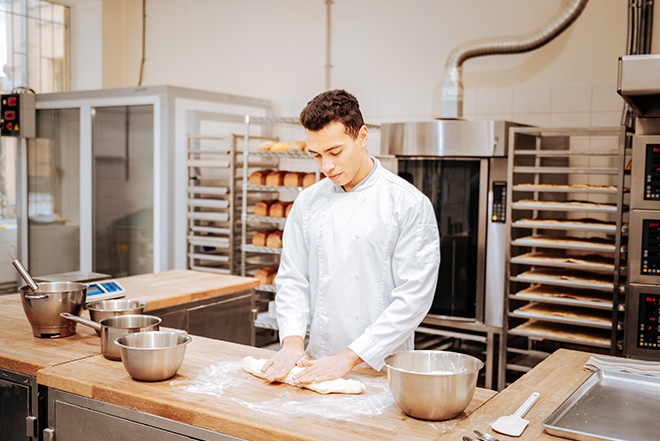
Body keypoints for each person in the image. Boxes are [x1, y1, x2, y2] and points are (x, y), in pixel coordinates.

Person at [262, 89, 440, 385]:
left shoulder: (407, 203)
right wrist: (292, 342)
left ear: (363, 137)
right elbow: (293, 278)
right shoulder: (307, 203)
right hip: (316, 363)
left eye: (334, 152)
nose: (326, 167)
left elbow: (413, 298)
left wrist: (349, 357)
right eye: (316, 155)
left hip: (381, 366)